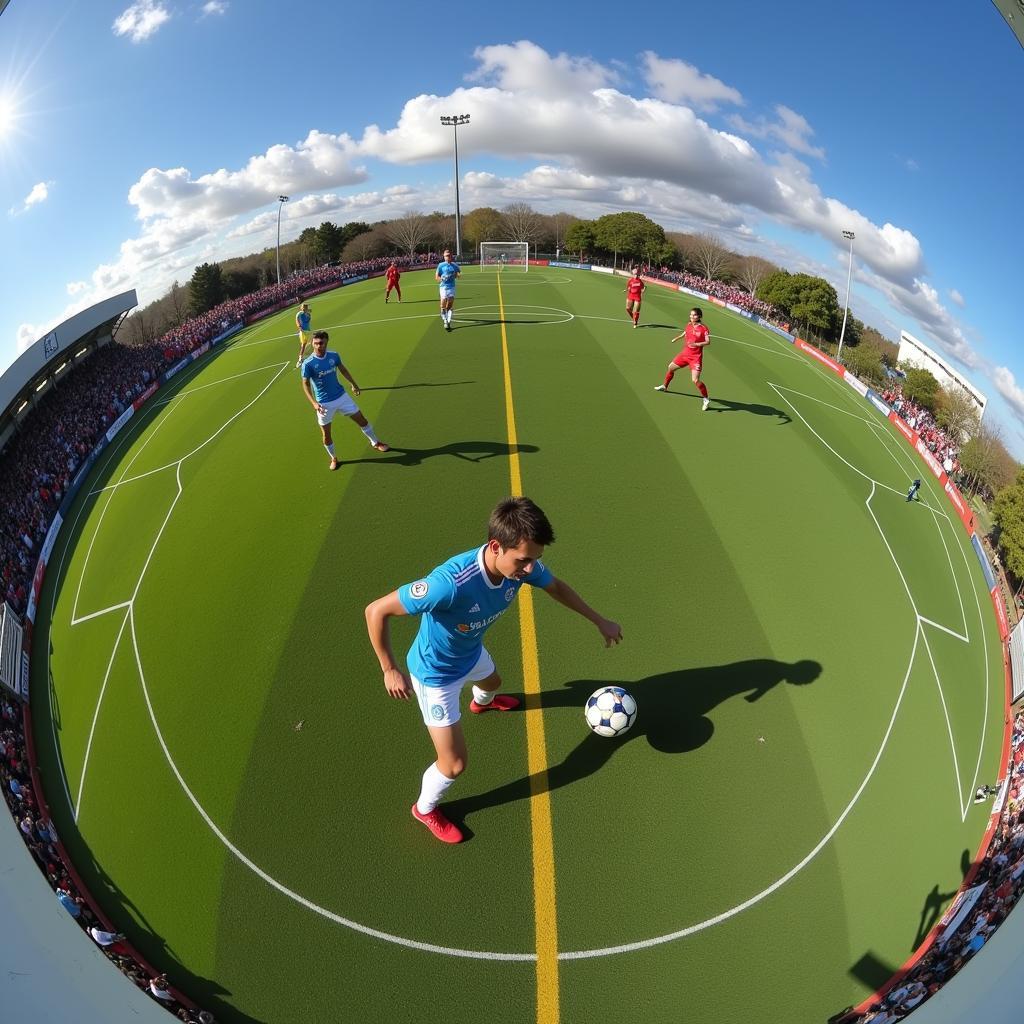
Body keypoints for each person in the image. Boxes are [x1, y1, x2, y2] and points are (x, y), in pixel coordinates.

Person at [365, 496, 623, 844]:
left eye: (535, 560)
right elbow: (375, 611)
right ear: (495, 546)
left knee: (493, 681)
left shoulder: (519, 566)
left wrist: (599, 620)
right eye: (523, 560)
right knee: (454, 764)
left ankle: (482, 702)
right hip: (435, 675)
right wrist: (389, 669)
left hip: (470, 652)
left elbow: (557, 587)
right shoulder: (449, 584)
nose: (530, 569)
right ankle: (424, 809)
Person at [300, 331, 389, 472]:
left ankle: (375, 442)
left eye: (321, 343)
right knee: (326, 434)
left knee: (362, 420)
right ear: (312, 343)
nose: (318, 346)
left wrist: (354, 384)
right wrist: (314, 403)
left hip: (342, 397)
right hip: (324, 404)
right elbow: (305, 384)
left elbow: (343, 370)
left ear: (327, 342)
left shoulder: (333, 356)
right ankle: (334, 458)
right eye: (315, 343)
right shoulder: (308, 364)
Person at [654, 306, 711, 410]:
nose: (692, 316)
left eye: (694, 315)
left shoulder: (703, 328)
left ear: (699, 316)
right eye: (691, 314)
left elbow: (708, 341)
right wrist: (678, 337)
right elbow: (685, 332)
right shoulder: (689, 325)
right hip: (684, 354)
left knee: (695, 380)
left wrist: (697, 344)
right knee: (670, 367)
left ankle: (706, 399)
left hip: (695, 357)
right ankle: (665, 386)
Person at [435, 248, 460, 332]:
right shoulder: (441, 265)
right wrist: (441, 279)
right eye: (446, 256)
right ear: (444, 256)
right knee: (443, 301)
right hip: (443, 287)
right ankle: (445, 318)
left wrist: (457, 276)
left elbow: (458, 274)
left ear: (451, 256)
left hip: (451, 286)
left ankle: (447, 317)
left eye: (449, 255)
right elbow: (436, 277)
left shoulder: (454, 265)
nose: (448, 257)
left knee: (450, 303)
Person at [294, 303, 312, 368]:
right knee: (303, 345)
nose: (304, 308)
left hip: (308, 331)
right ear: (301, 308)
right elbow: (297, 320)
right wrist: (299, 327)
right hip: (303, 331)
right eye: (303, 307)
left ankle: (306, 357)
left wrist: (308, 314)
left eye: (305, 307)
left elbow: (308, 320)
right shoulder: (299, 313)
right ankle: (300, 360)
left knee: (310, 344)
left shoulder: (308, 314)